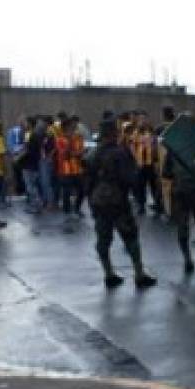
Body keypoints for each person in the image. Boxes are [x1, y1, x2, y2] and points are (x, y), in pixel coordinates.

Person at [84, 119, 157, 290]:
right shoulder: (121, 153)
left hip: (98, 201)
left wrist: (91, 198)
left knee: (103, 239)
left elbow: (86, 182)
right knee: (130, 237)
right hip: (118, 200)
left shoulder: (91, 154)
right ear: (114, 134)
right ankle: (139, 274)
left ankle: (108, 273)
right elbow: (131, 178)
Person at [162, 113, 195, 274]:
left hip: (180, 191)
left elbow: (166, 173)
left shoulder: (173, 149)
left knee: (182, 226)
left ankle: (187, 258)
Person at [56, 117, 85, 217]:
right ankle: (67, 211)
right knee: (66, 192)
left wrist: (75, 153)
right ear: (65, 128)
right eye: (71, 127)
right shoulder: (60, 140)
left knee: (81, 190)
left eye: (74, 127)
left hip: (77, 169)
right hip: (65, 170)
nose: (74, 129)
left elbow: (81, 151)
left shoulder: (79, 137)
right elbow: (64, 155)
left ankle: (77, 208)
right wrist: (69, 142)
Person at [19, 117, 44, 212]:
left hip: (28, 163)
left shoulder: (29, 134)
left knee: (30, 186)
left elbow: (26, 149)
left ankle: (36, 205)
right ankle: (36, 203)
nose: (24, 124)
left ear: (29, 123)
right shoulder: (36, 134)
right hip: (34, 163)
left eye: (25, 122)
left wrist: (18, 158)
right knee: (33, 185)